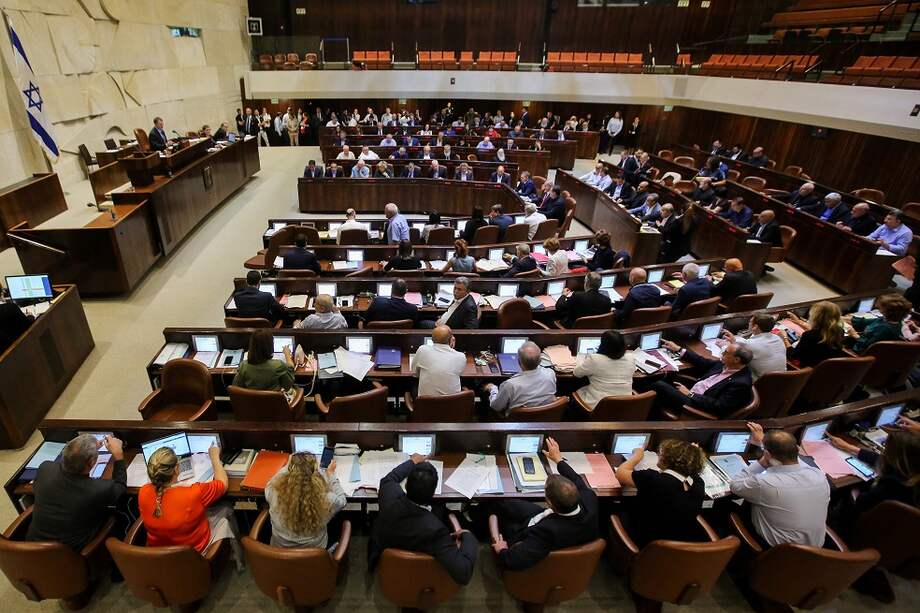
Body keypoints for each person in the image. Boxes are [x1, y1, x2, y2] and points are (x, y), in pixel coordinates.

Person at [489, 437, 598, 572]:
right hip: (550, 519)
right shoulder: (589, 499)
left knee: (500, 512)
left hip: (528, 531)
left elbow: (514, 561)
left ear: (550, 503)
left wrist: (502, 550)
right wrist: (558, 459)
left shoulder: (546, 533)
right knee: (504, 503)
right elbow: (576, 479)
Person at [369, 454, 477, 585]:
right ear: (433, 493)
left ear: (406, 485)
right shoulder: (436, 531)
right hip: (424, 573)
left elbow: (389, 479)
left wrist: (412, 461)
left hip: (389, 554)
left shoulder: (389, 499)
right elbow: (464, 573)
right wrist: (467, 535)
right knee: (441, 509)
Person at [730, 423, 830, 547]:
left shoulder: (764, 483)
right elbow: (792, 458)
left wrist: (762, 463)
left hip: (777, 552)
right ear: (797, 449)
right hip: (817, 552)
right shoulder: (818, 475)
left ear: (767, 455)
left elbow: (735, 485)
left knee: (732, 506)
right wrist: (764, 444)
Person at [26, 433, 126, 550]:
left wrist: (82, 453)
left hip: (31, 548)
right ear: (92, 462)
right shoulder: (97, 489)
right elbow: (120, 486)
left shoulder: (45, 468)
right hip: (69, 553)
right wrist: (118, 455)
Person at [139, 445, 236, 555]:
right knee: (226, 506)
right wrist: (214, 457)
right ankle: (236, 557)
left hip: (159, 554)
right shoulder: (193, 493)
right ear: (176, 469)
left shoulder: (143, 492)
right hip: (193, 553)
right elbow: (223, 483)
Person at [827, 430, 920, 537]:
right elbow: (881, 459)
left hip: (864, 531)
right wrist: (850, 448)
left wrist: (855, 490)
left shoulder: (891, 486)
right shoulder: (912, 473)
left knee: (841, 490)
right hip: (903, 534)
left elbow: (861, 502)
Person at [614, 439, 705, 547]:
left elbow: (620, 473)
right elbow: (694, 472)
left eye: (661, 453)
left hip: (645, 543)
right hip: (679, 547)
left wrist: (637, 456)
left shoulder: (654, 479)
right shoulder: (698, 485)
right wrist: (692, 454)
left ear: (667, 460)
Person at [264, 453, 346, 549]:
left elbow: (272, 481)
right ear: (316, 476)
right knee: (335, 523)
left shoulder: (273, 491)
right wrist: (330, 474)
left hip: (279, 553)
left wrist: (288, 465)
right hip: (315, 553)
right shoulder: (326, 499)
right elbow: (342, 500)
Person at [651, 341, 754, 417]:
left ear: (736, 359)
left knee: (658, 385)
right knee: (668, 377)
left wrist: (690, 394)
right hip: (691, 392)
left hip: (696, 406)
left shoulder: (741, 383)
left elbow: (719, 406)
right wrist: (679, 349)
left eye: (726, 352)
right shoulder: (727, 364)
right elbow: (702, 362)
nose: (722, 354)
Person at [484, 342, 556, 416]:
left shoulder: (510, 385)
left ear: (518, 361)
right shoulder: (550, 374)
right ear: (540, 361)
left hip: (517, 421)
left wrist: (493, 388)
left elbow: (496, 407)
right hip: (545, 417)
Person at [573, 330, 635, 409]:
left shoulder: (594, 359)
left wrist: (582, 361)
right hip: (625, 405)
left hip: (599, 407)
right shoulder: (631, 358)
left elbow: (576, 373)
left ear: (603, 345)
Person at [722, 312, 787, 381]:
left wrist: (723, 345)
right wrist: (734, 340)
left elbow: (730, 354)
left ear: (755, 327)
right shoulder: (777, 338)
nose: (748, 323)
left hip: (762, 383)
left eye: (750, 322)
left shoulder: (750, 344)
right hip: (783, 379)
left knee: (733, 363)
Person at [781, 301, 846, 367]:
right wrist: (799, 322)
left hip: (808, 370)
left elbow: (794, 355)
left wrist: (784, 338)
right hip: (829, 368)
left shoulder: (809, 336)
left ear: (815, 317)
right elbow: (820, 333)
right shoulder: (840, 331)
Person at [846, 292, 911, 354]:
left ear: (888, 311)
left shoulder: (884, 329)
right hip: (859, 341)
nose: (879, 308)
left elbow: (866, 347)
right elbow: (863, 322)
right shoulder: (892, 321)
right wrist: (844, 318)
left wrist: (854, 334)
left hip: (859, 352)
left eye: (882, 307)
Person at [412, 325, 467, 397]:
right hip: (452, 403)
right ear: (451, 339)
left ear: (432, 339)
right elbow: (460, 373)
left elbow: (415, 373)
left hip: (426, 403)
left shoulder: (422, 350)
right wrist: (451, 348)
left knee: (412, 386)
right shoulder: (461, 356)